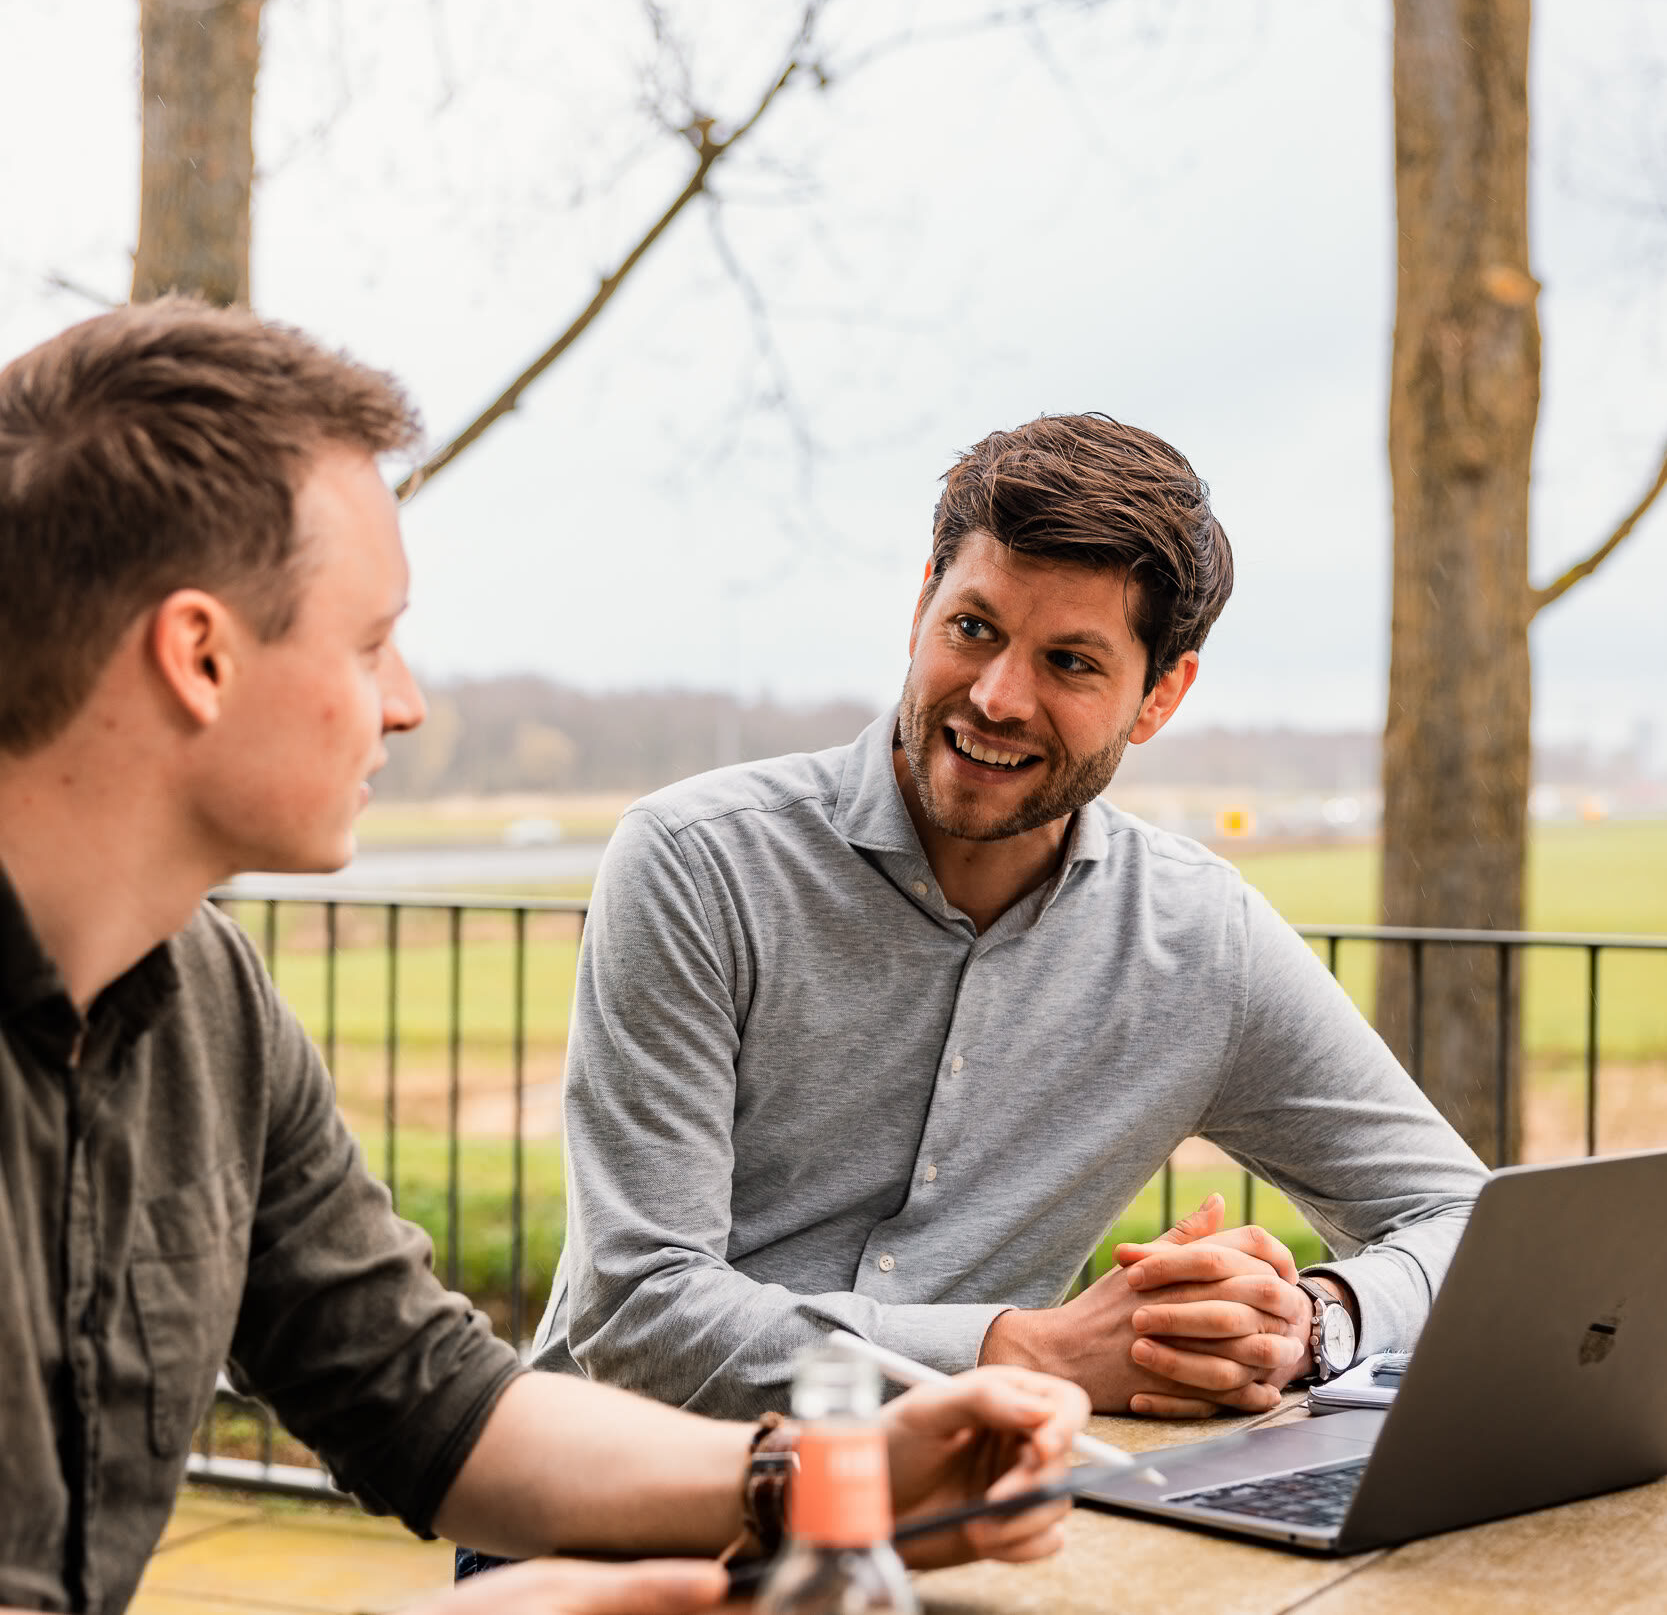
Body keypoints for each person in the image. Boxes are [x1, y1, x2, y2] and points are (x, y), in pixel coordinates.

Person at [0, 300, 1091, 1615]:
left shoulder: (208, 1003)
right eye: (367, 640)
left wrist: (812, 1470)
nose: (403, 699)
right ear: (201, 654)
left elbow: (423, 1392)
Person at [531, 412, 1490, 1423]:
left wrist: (1303, 1322)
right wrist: (1025, 1350)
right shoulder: (696, 863)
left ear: (1158, 695)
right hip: (622, 1509)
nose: (995, 696)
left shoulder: (1198, 939)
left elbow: (1467, 1220)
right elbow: (636, 1313)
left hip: (957, 1512)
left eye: (1070, 662)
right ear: (920, 608)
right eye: (973, 628)